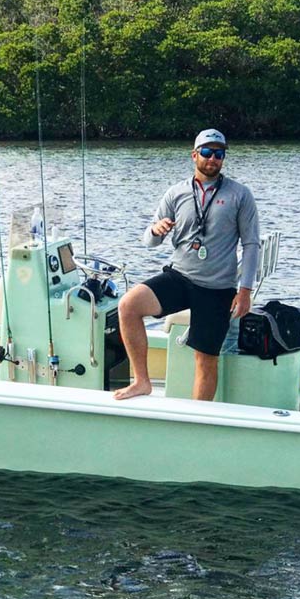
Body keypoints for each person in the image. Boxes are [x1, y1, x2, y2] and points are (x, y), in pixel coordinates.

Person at [113, 128, 260, 401]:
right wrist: (156, 230)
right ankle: (141, 382)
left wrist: (245, 291)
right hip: (180, 277)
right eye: (206, 152)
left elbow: (251, 245)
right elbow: (149, 241)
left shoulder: (240, 195)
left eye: (219, 154)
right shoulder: (176, 193)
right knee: (128, 305)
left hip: (218, 287)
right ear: (194, 155)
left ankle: (198, 421)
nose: (212, 159)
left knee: (205, 360)